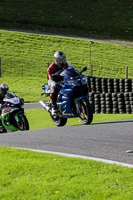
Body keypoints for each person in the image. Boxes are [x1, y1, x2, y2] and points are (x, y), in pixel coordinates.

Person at [47, 51, 71, 115]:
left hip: (64, 79)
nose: (62, 62)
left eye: (63, 60)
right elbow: (49, 76)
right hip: (54, 80)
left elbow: (72, 70)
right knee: (54, 86)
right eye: (60, 60)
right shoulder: (52, 67)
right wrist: (53, 80)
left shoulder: (67, 64)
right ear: (56, 60)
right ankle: (53, 106)